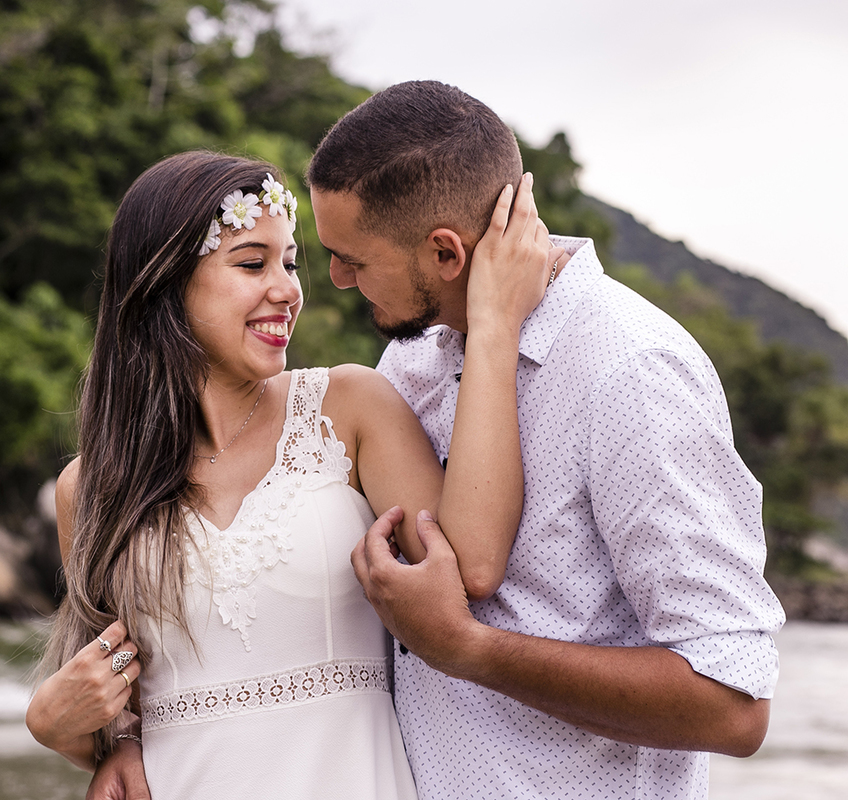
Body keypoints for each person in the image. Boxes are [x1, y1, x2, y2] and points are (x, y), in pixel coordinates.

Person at [25, 149, 559, 798]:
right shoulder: (91, 489)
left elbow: (471, 564)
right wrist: (54, 726)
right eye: (252, 263)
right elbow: (119, 713)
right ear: (164, 281)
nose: (287, 288)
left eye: (289, 262)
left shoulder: (350, 407)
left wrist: (494, 326)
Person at [310, 81, 786, 799]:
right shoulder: (411, 356)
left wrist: (472, 651)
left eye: (353, 258)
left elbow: (734, 705)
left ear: (445, 253)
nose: (339, 280)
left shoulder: (634, 371)